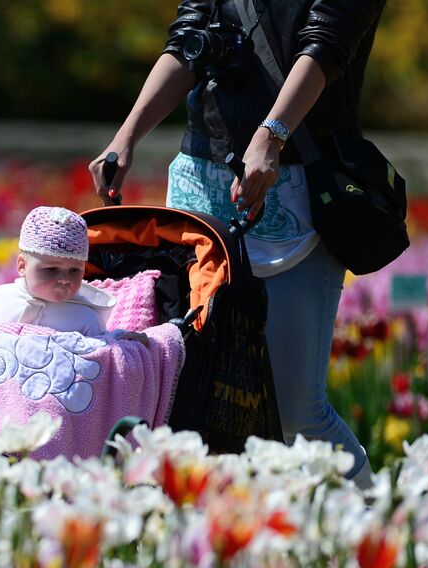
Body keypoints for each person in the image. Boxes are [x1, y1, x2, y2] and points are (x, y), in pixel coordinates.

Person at [90, 0, 386, 487]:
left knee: (296, 409)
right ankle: (207, 545)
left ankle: (381, 531)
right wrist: (126, 136)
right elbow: (186, 42)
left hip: (299, 187)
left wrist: (271, 136)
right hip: (200, 186)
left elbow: (327, 44)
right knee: (187, 390)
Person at [0, 206, 148, 343]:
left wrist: (122, 340)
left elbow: (102, 350)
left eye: (75, 271)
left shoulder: (85, 317)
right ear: (22, 266)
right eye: (51, 269)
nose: (64, 279)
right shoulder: (0, 298)